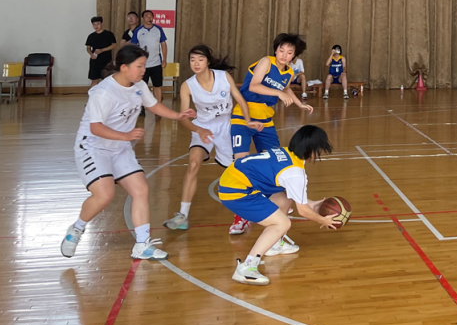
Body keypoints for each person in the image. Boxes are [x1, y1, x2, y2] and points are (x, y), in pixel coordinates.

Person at [60, 44, 196, 261]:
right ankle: (76, 228)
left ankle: (142, 244)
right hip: (93, 148)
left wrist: (177, 115)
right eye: (139, 66)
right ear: (124, 67)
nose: (143, 70)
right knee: (105, 195)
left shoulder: (139, 85)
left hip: (120, 148)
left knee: (141, 189)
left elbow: (153, 105)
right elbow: (96, 128)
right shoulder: (103, 92)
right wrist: (126, 135)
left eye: (144, 65)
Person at [218, 125, 339, 285]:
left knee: (284, 200)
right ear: (313, 149)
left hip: (232, 179)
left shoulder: (286, 152)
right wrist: (322, 220)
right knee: (282, 223)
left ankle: (274, 245)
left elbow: (291, 192)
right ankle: (247, 268)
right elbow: (302, 211)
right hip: (235, 191)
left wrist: (310, 203)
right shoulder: (295, 172)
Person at [163, 46, 261, 231]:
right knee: (193, 164)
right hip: (202, 127)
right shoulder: (187, 86)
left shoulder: (223, 77)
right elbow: (184, 119)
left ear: (208, 61)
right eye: (192, 59)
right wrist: (199, 130)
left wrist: (248, 120)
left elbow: (240, 99)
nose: (196, 63)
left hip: (226, 126)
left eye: (200, 59)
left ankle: (244, 214)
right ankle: (182, 215)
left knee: (238, 170)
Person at [229, 33, 314, 234]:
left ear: (294, 56)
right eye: (281, 50)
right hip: (243, 117)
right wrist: (278, 93)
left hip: (266, 121)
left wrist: (299, 104)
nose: (284, 55)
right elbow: (254, 85)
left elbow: (286, 88)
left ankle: (279, 204)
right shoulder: (266, 62)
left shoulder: (289, 71)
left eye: (289, 52)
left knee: (276, 164)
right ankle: (241, 217)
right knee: (241, 164)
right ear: (275, 50)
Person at [130, 10, 168, 104]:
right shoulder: (138, 30)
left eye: (151, 16)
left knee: (157, 86)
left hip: (156, 63)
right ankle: (141, 107)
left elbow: (163, 44)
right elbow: (133, 46)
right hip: (143, 65)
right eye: (147, 16)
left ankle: (159, 105)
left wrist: (164, 59)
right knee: (141, 86)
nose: (149, 18)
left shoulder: (158, 29)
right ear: (142, 18)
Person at [85, 17, 116, 86]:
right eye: (94, 24)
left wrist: (102, 50)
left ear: (102, 23)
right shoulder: (91, 36)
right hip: (95, 61)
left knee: (108, 79)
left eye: (98, 24)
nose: (96, 26)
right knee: (94, 80)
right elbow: (88, 48)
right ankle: (93, 93)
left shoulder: (108, 34)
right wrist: (91, 54)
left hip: (106, 60)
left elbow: (114, 45)